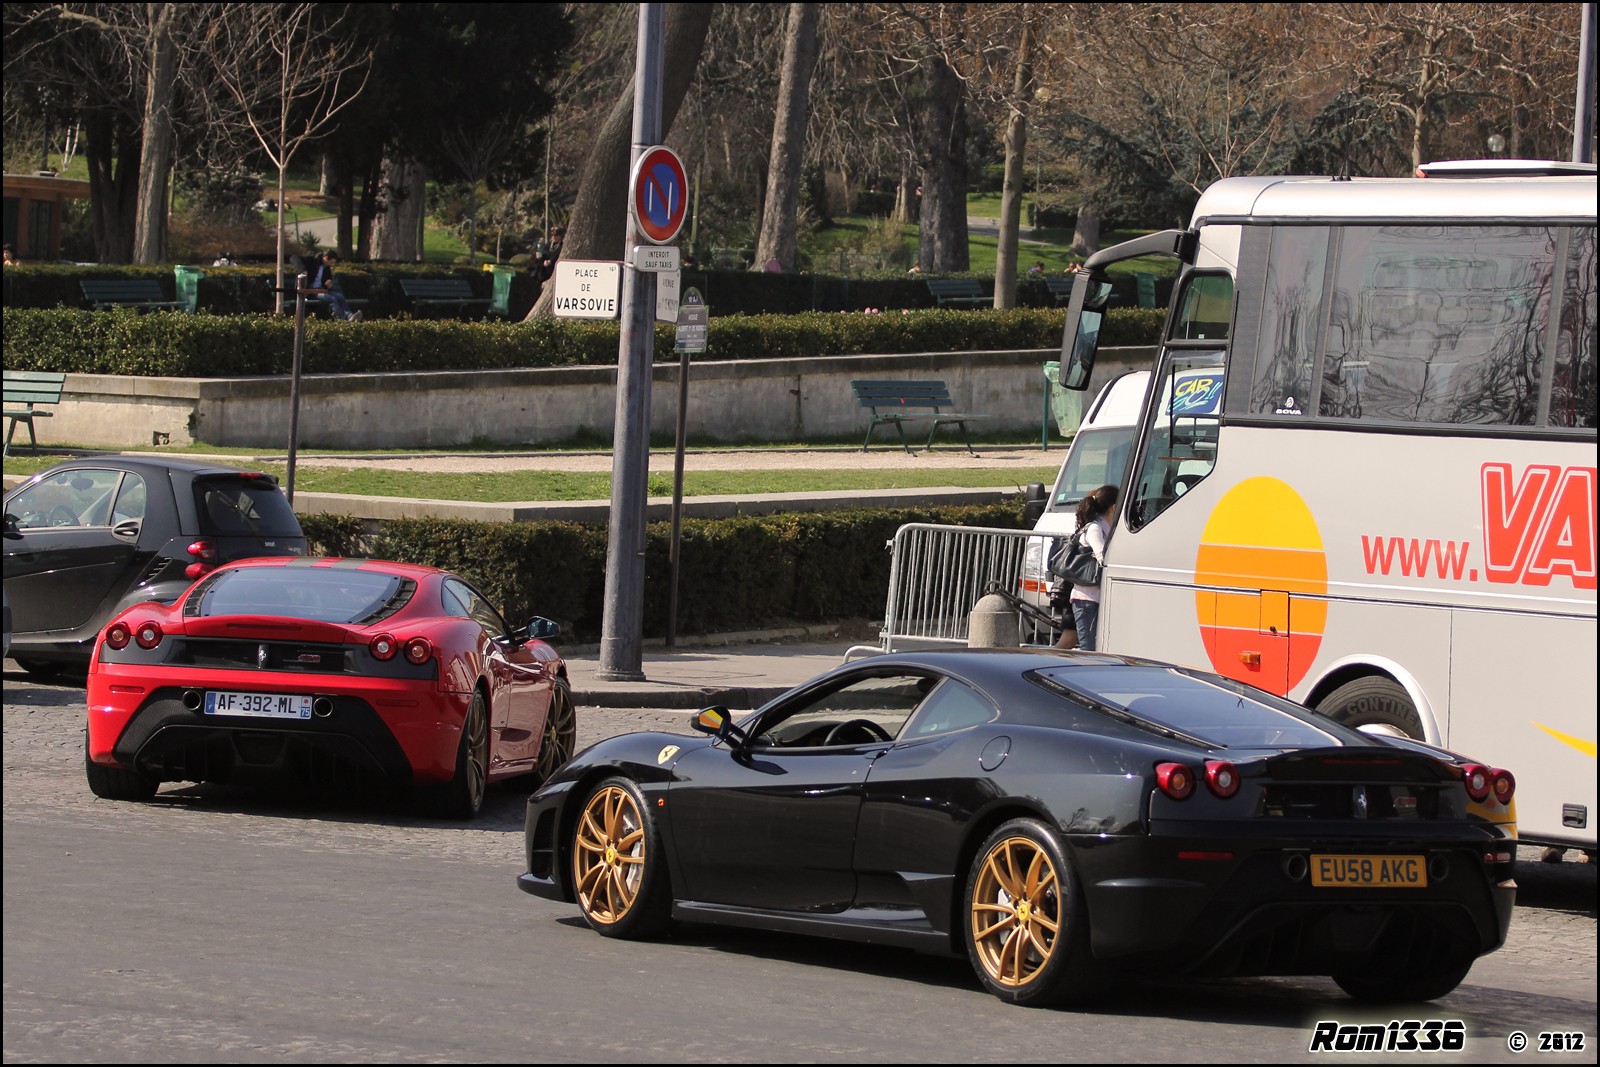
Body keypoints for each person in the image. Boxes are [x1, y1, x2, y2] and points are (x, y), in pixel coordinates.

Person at [1068, 484, 1119, 651]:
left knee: (1095, 649)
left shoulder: (1106, 527)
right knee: (1088, 650)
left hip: (1096, 598)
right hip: (1086, 599)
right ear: (1114, 507)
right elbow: (1103, 557)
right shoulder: (1095, 528)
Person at [305, 250, 360, 321]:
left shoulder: (326, 267)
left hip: (322, 290)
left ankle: (350, 315)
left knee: (340, 297)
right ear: (325, 257)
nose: (331, 264)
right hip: (312, 292)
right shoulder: (314, 263)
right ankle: (341, 318)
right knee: (332, 298)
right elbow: (295, 258)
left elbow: (329, 279)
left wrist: (329, 283)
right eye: (331, 262)